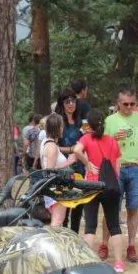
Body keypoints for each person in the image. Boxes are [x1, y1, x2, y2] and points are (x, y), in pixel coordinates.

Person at [103, 87, 138, 263]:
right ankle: (104, 244)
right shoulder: (110, 120)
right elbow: (103, 144)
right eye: (125, 104)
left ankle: (131, 245)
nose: (129, 107)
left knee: (133, 208)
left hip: (136, 168)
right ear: (118, 103)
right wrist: (113, 142)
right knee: (111, 208)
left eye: (132, 104)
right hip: (115, 169)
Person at [73, 111, 126, 273]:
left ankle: (89, 263)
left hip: (92, 185)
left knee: (90, 227)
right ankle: (118, 263)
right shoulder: (112, 141)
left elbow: (76, 151)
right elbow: (117, 164)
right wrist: (113, 178)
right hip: (111, 186)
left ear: (89, 125)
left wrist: (88, 163)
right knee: (114, 226)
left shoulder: (86, 139)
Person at [56, 89, 86, 233]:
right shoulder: (58, 122)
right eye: (67, 101)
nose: (71, 104)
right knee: (64, 206)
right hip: (64, 168)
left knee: (79, 205)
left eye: (73, 101)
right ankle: (63, 236)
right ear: (62, 104)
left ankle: (75, 235)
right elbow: (53, 147)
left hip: (81, 167)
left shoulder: (82, 121)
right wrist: (71, 150)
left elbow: (88, 143)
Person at [40, 113, 75, 227]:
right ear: (57, 128)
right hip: (56, 190)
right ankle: (52, 243)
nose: (62, 129)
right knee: (57, 220)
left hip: (54, 189)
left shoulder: (47, 143)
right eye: (61, 126)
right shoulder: (51, 147)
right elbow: (50, 171)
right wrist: (69, 162)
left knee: (57, 220)